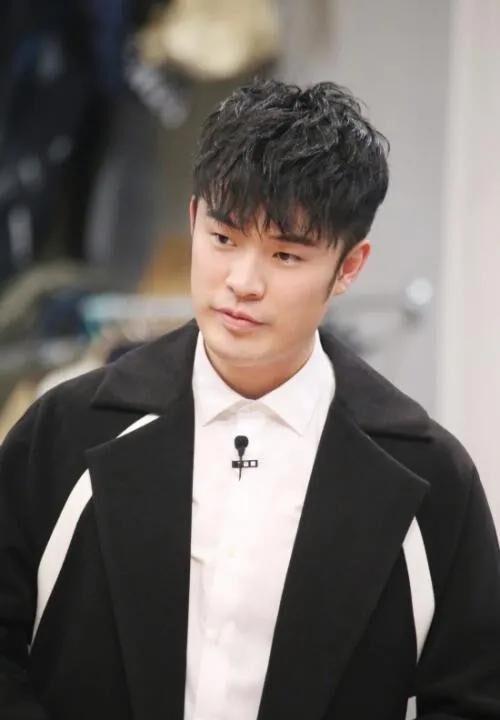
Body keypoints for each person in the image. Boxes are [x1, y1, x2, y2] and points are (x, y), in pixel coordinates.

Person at [0, 79, 499, 720]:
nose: (242, 282)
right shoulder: (65, 430)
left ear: (349, 267)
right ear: (193, 220)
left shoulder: (429, 474)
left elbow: (471, 697)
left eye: (286, 255)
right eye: (224, 238)